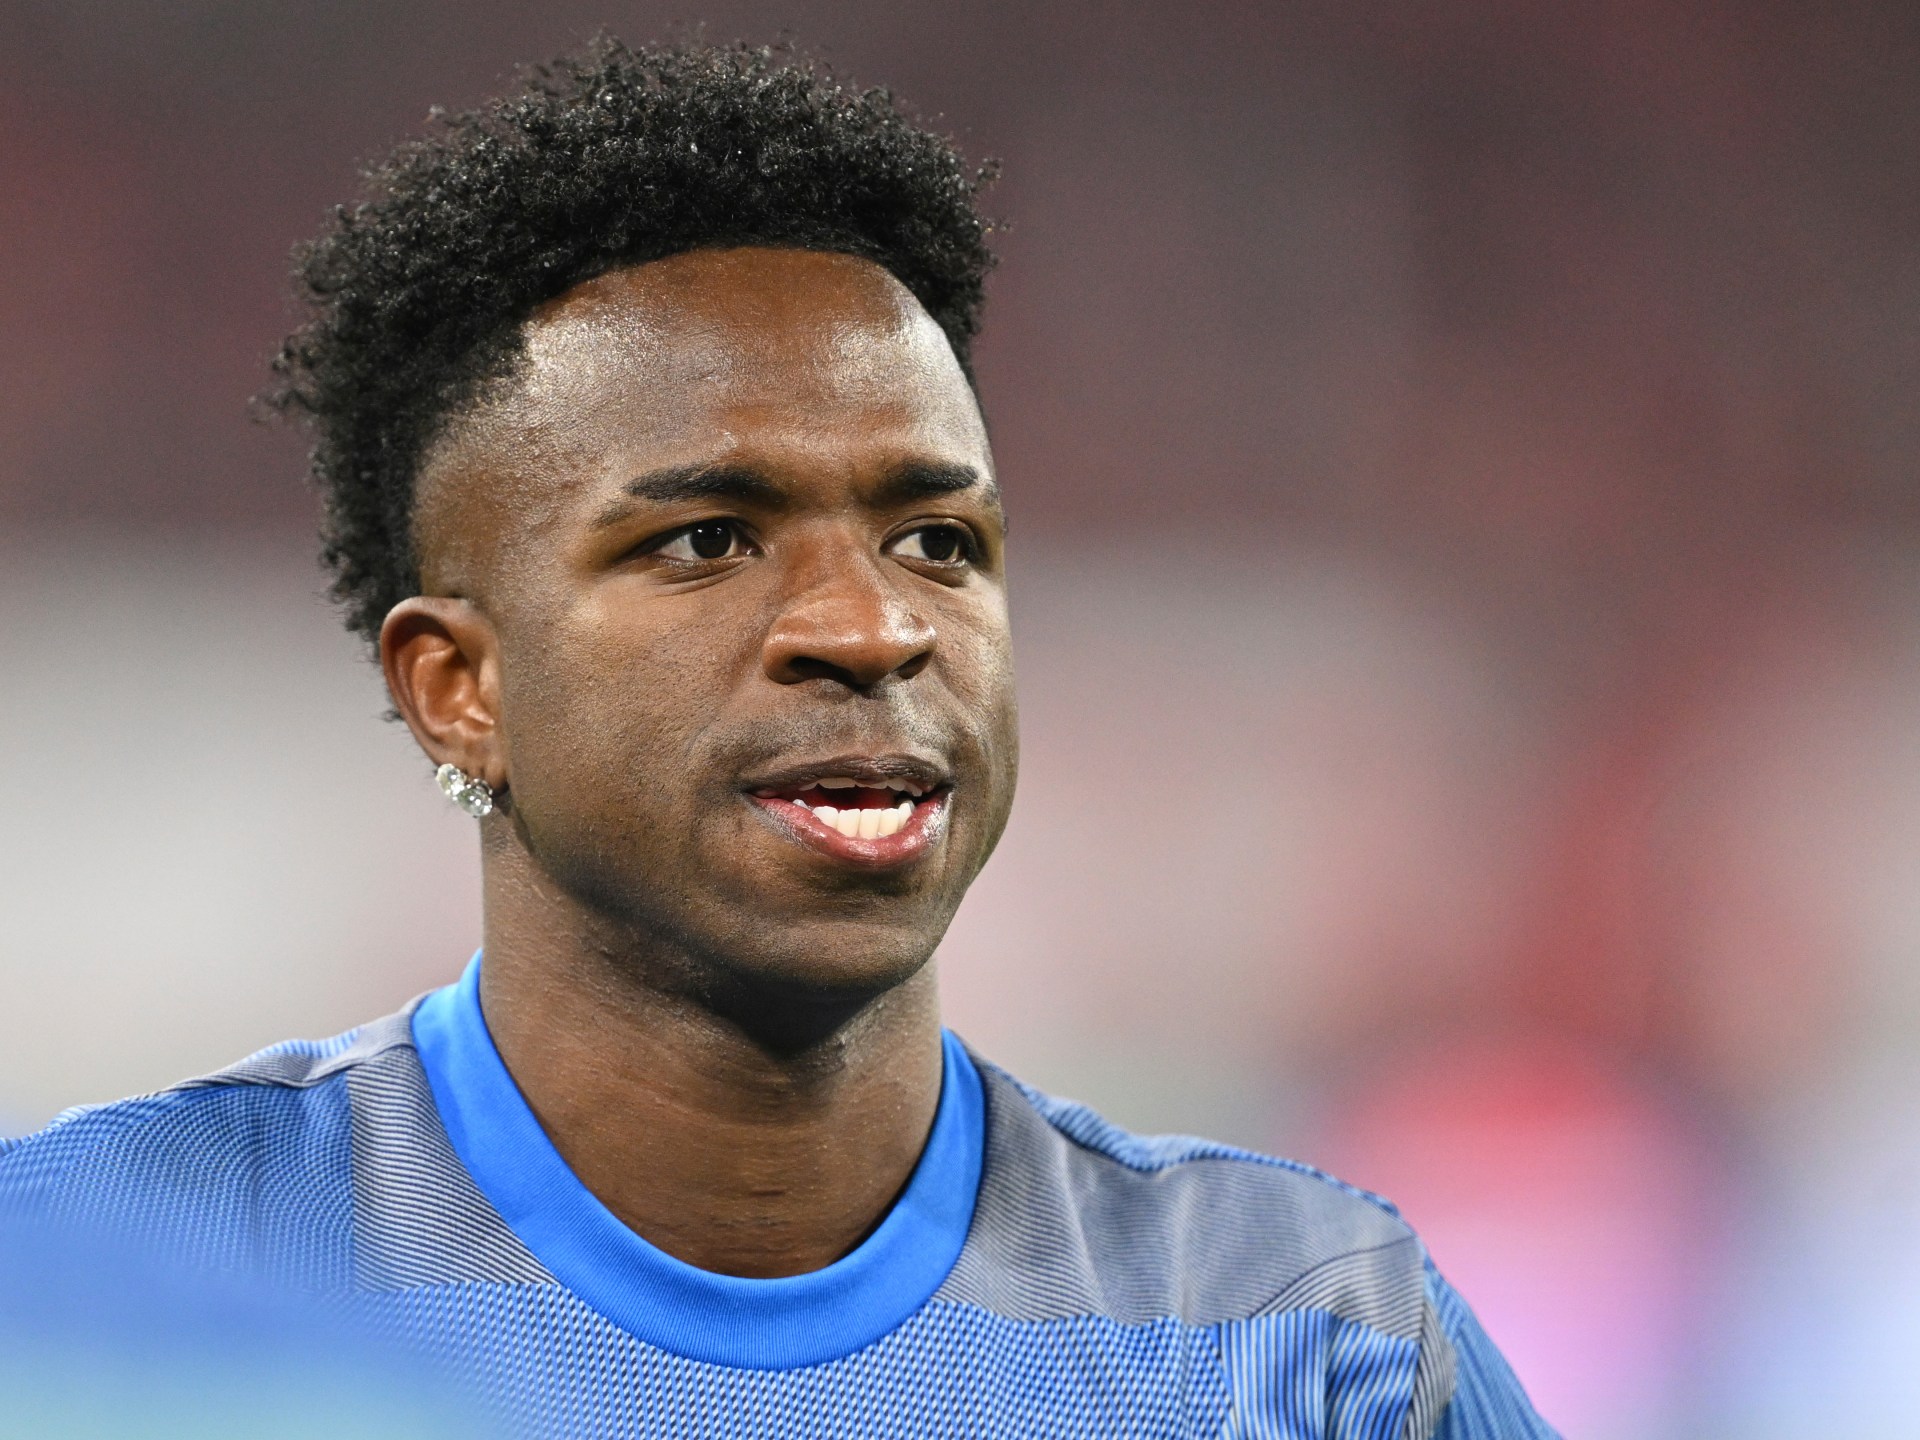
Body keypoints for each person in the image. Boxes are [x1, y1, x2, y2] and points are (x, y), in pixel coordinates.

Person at [0, 40, 1556, 1438]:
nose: (872, 628)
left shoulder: (1303, 1341)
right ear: (458, 688)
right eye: (707, 541)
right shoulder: (68, 1286)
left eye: (937, 542)